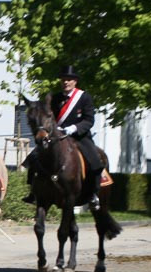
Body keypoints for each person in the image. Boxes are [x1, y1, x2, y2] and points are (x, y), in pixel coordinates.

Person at [23, 65, 103, 209]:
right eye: (64, 79)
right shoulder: (54, 98)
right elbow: (47, 116)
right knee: (33, 159)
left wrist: (74, 128)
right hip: (57, 136)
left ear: (75, 82)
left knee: (95, 162)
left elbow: (89, 120)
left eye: (69, 80)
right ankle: (33, 193)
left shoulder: (84, 98)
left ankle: (93, 194)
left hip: (80, 136)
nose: (66, 82)